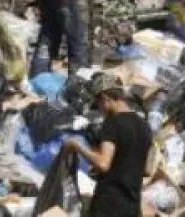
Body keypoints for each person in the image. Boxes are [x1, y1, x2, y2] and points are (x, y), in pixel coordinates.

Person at [64, 84, 152, 217]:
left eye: (99, 104)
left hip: (109, 205)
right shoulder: (145, 125)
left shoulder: (113, 123)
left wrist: (77, 146)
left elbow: (103, 164)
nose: (100, 110)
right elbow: (147, 170)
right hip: (132, 206)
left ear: (105, 98)